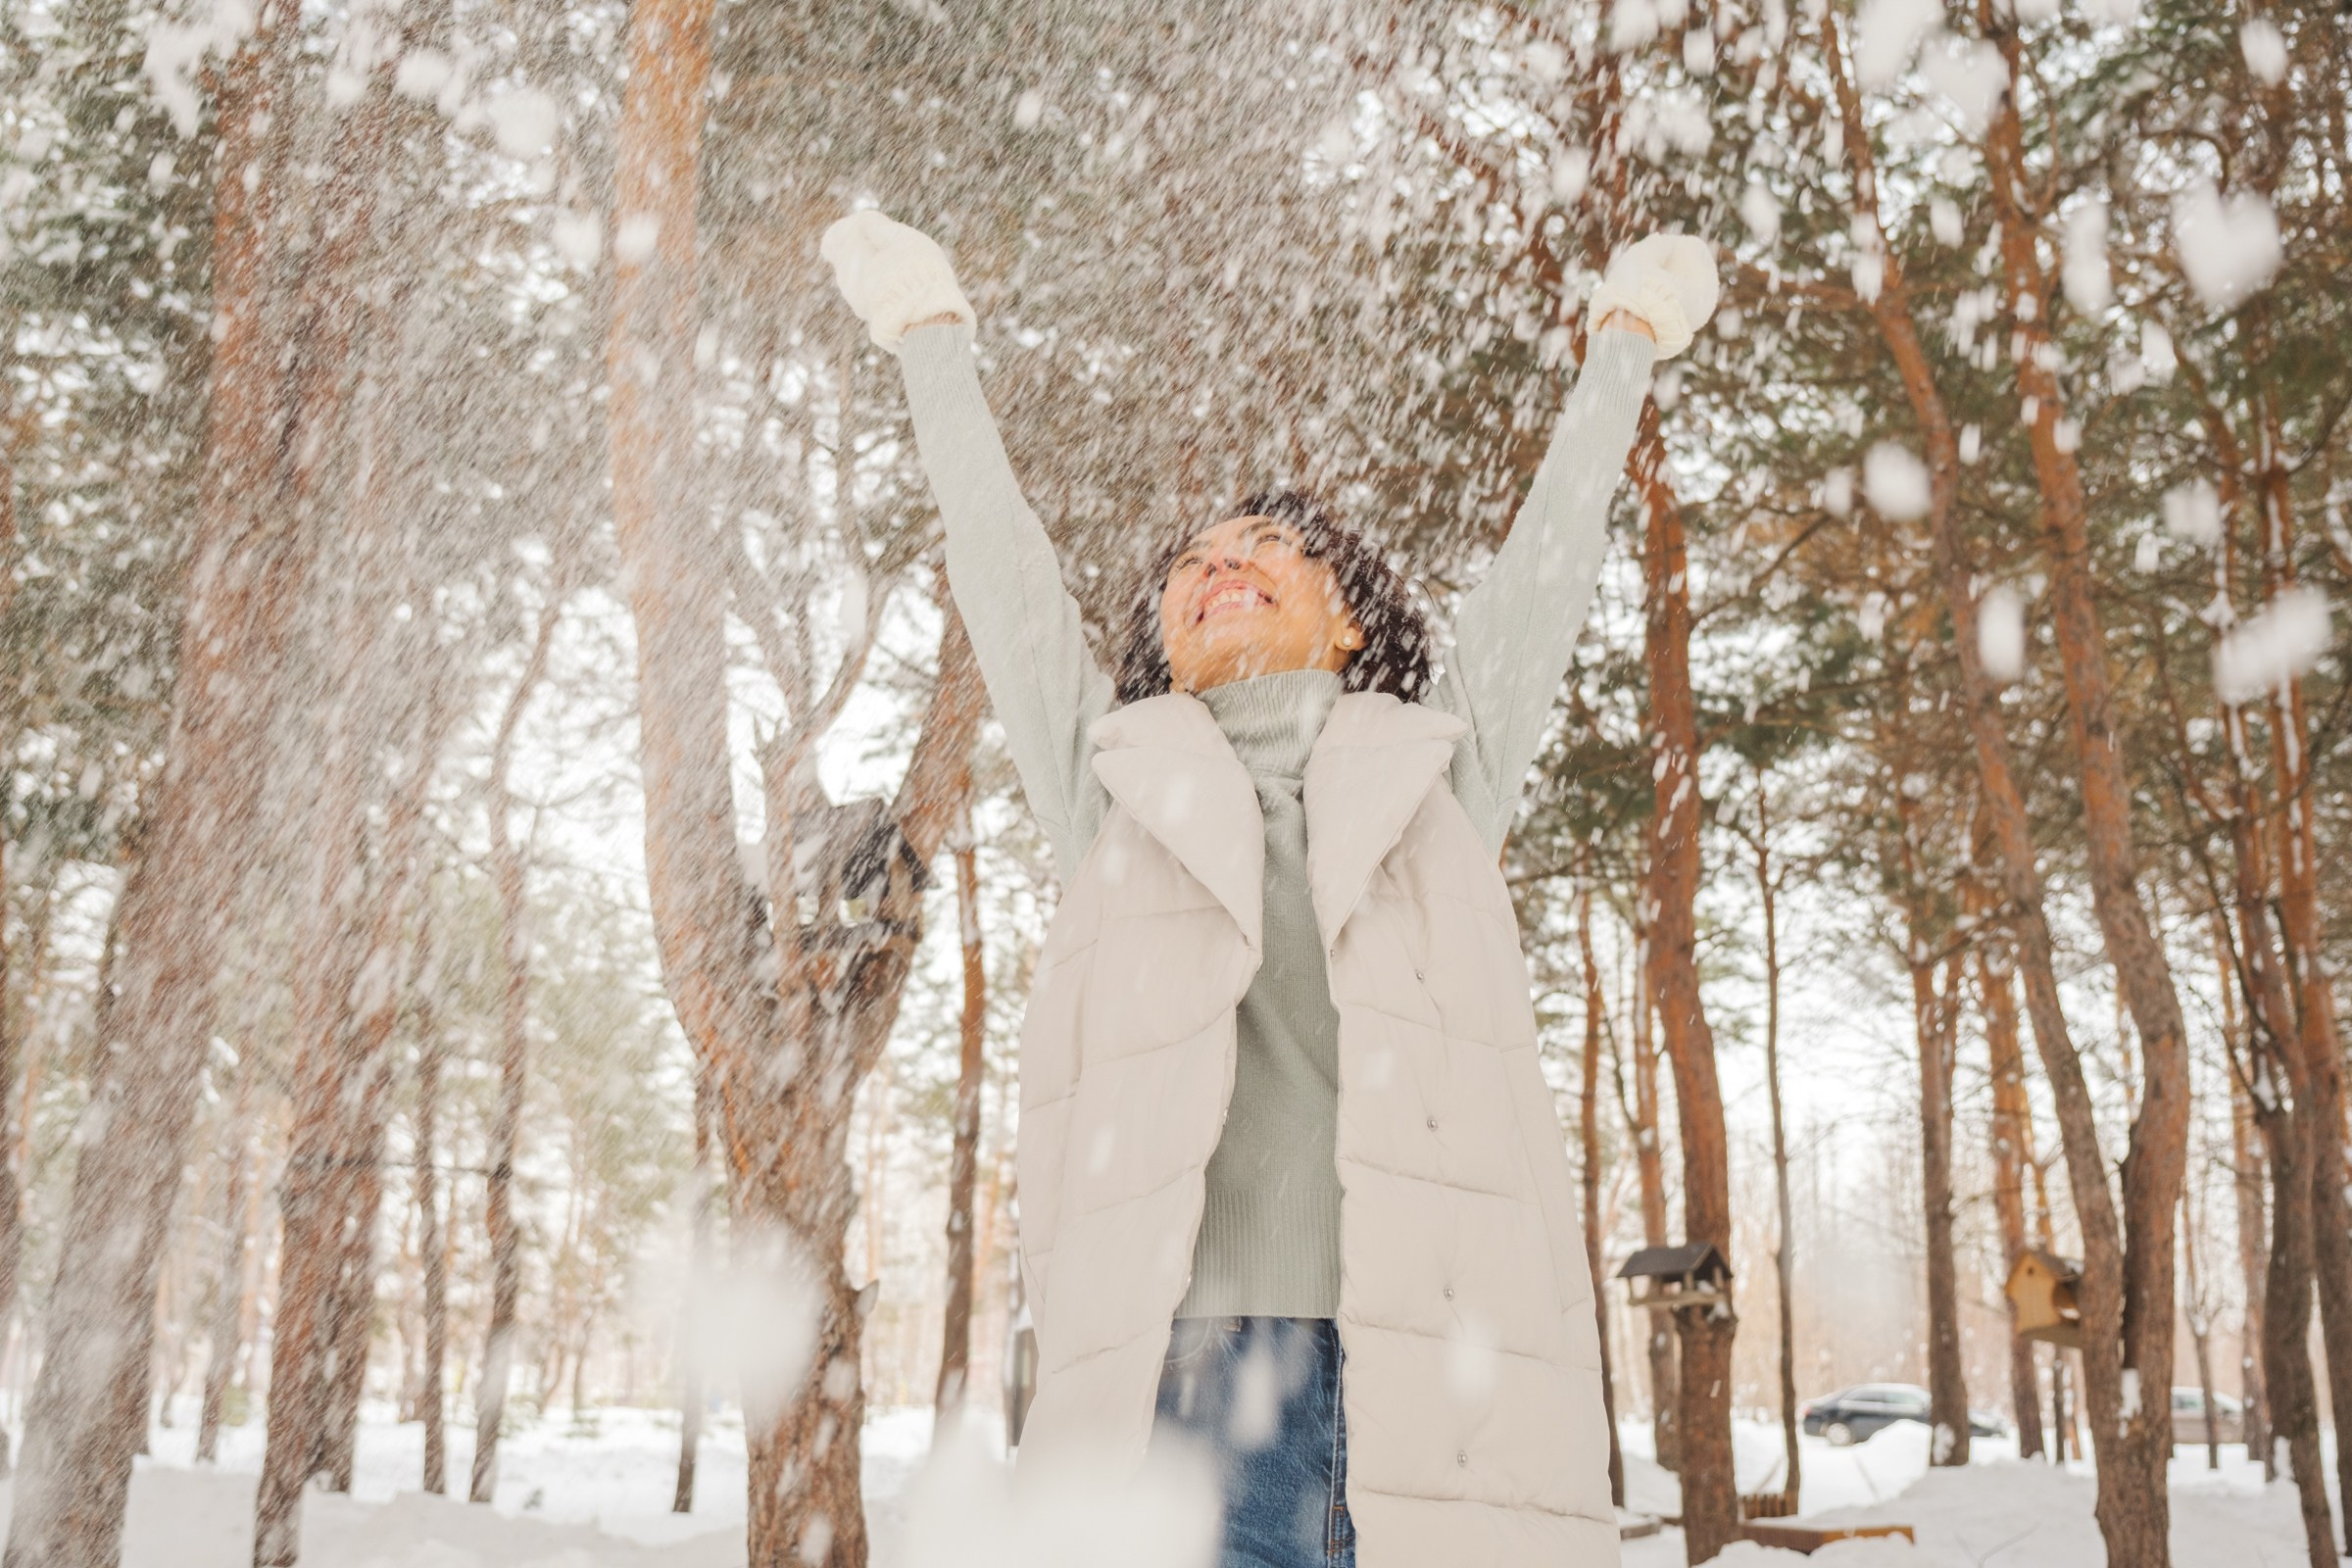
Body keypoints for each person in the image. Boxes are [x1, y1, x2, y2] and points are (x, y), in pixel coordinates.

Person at [822, 210, 1715, 1568]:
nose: (1214, 565)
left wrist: (1624, 352)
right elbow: (1006, 589)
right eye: (1189, 566)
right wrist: (933, 346)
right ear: (1166, 649)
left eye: (1259, 549)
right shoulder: (1118, 788)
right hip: (1190, 1382)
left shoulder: (1437, 775)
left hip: (1439, 1363)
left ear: (1350, 615)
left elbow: (1547, 569)